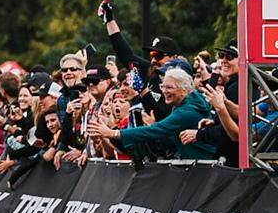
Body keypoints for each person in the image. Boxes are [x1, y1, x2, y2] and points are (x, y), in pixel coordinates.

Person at [88, 67, 217, 160]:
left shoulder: (187, 112)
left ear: (184, 90)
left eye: (169, 87)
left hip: (206, 168)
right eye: (163, 86)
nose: (164, 91)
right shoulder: (180, 105)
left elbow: (156, 130)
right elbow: (165, 139)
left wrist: (112, 133)